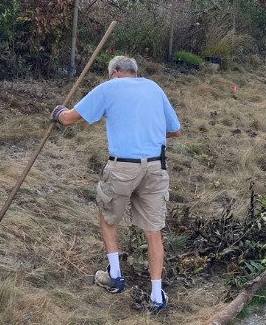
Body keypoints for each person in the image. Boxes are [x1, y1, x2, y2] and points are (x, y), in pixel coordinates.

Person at [51, 56, 181, 314]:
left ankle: (115, 276)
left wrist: (57, 112)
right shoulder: (154, 88)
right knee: (153, 231)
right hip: (156, 167)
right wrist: (149, 131)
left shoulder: (109, 87)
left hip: (123, 168)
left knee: (108, 214)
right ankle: (157, 297)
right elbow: (175, 130)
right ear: (134, 72)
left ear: (115, 73)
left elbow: (68, 119)